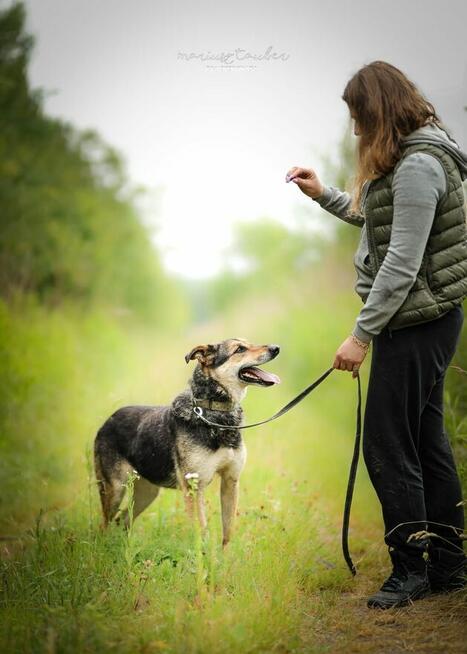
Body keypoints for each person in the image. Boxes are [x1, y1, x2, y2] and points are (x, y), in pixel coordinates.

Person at [286, 60, 467, 609]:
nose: (355, 129)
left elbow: (401, 264)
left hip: (415, 322)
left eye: (359, 116)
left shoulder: (418, 166)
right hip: (421, 318)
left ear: (379, 110)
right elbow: (380, 222)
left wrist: (360, 335)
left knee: (387, 445)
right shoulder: (414, 156)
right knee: (426, 442)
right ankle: (451, 569)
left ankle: (410, 571)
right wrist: (325, 195)